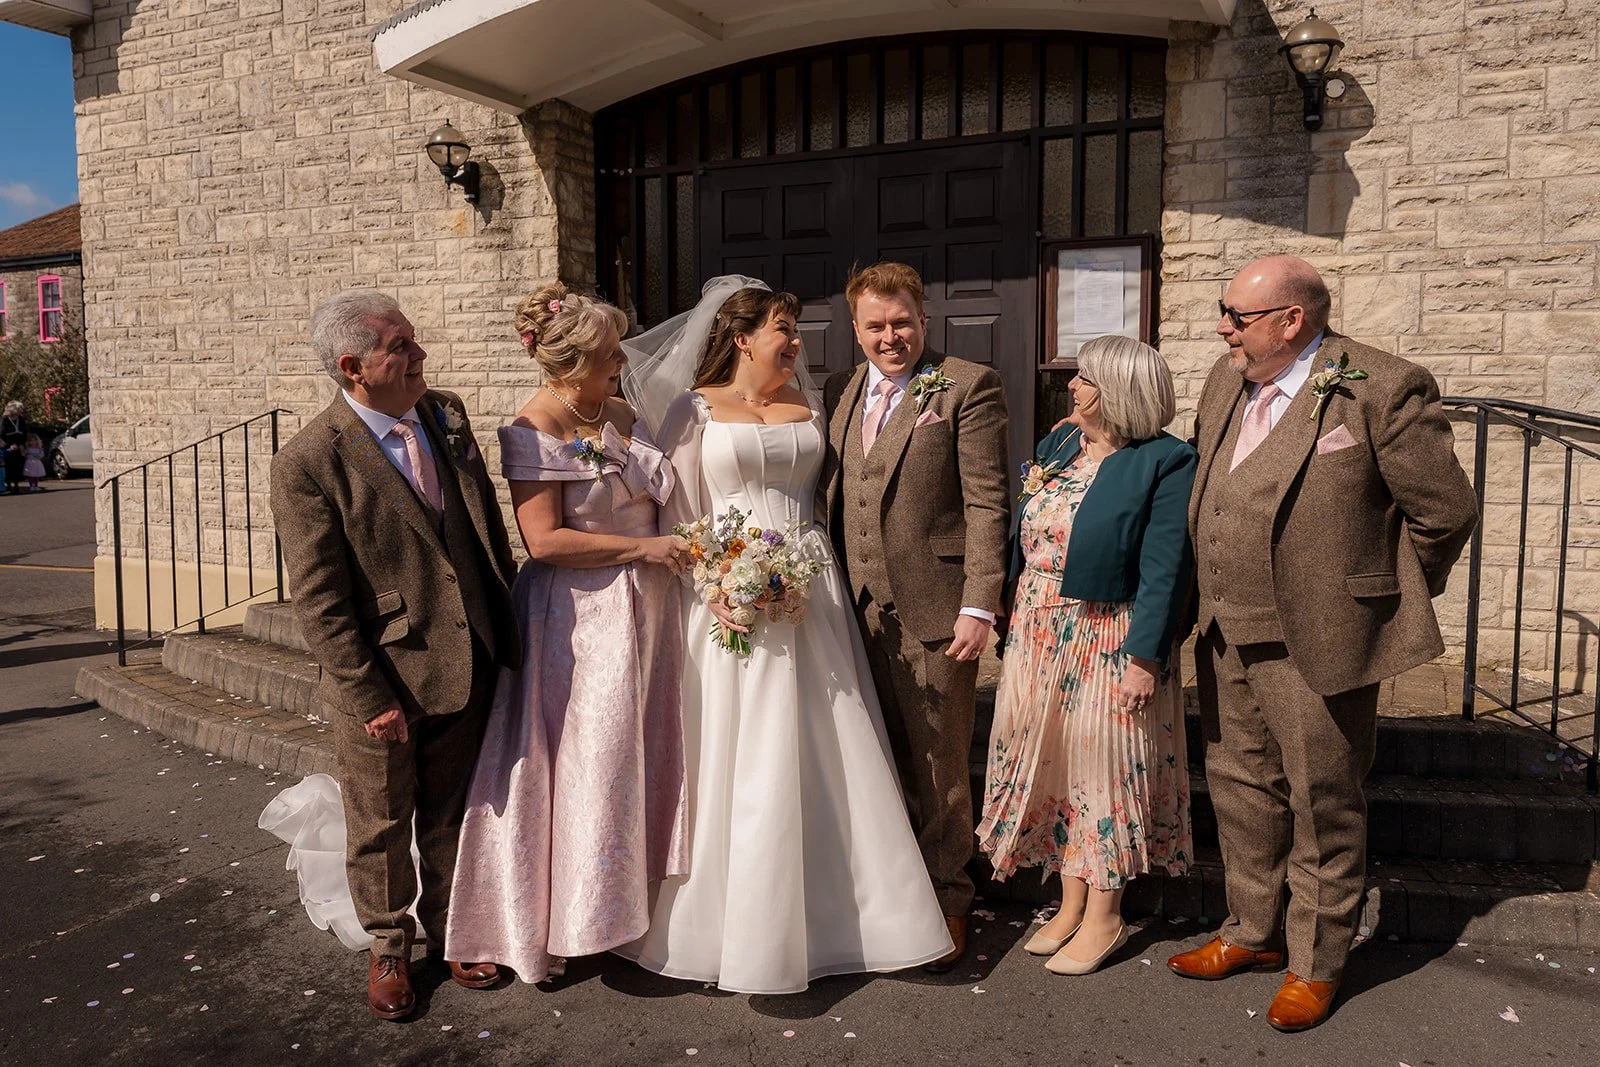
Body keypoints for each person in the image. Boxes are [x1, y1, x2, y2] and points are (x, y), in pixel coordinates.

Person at [615, 277, 953, 994]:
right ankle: (734, 923)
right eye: (782, 329)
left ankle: (855, 912)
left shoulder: (815, 402)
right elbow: (678, 516)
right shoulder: (692, 411)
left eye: (795, 330)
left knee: (831, 740)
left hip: (811, 590)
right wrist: (717, 585)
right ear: (740, 337)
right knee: (739, 755)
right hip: (727, 594)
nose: (795, 342)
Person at [1168, 256, 1477, 1032]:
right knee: (1240, 786)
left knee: (1322, 801)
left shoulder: (1380, 384)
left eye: (1235, 315)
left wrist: (1376, 598)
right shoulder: (1221, 380)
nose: (1221, 327)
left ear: (1291, 321)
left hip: (1322, 639)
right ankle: (1251, 930)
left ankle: (1316, 962)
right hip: (1223, 628)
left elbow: (1444, 511)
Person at [269, 290, 521, 1021]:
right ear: (354, 367)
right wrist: (365, 692)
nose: (419, 356)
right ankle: (388, 944)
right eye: (401, 347)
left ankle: (451, 928)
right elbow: (319, 597)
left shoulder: (446, 412)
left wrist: (505, 617)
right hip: (385, 672)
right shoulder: (309, 461)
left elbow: (481, 528)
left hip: (467, 651)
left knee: (452, 808)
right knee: (380, 821)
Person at [442, 284, 692, 984]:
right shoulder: (533, 427)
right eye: (611, 349)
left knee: (638, 754)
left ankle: (626, 907)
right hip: (577, 622)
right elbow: (545, 542)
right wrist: (641, 552)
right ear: (574, 360)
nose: (623, 356)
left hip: (650, 607)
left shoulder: (619, 409)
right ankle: (553, 919)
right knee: (586, 763)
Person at [976, 335, 1194, 976]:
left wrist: (1145, 658)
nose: (1071, 386)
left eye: (1086, 379)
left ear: (1121, 391)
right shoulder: (1061, 443)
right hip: (1040, 631)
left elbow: (1166, 568)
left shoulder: (1165, 460)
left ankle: (1105, 914)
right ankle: (1069, 903)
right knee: (1057, 769)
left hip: (1108, 633)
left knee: (1104, 771)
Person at [819, 262, 1011, 971]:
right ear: (856, 327)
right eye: (875, 325)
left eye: (901, 322)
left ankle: (951, 897)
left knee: (940, 763)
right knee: (874, 756)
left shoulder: (966, 383)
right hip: (849, 609)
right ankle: (893, 894)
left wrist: (978, 602)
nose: (889, 336)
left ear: (923, 319)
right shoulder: (839, 390)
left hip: (934, 607)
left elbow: (990, 501)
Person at [2, 401, 26, 494]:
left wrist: (21, 444)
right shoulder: (5, 419)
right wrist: (10, 444)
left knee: (18, 465)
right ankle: (8, 484)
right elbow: (2, 433)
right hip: (8, 446)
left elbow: (24, 432)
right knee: (8, 466)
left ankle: (16, 484)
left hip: (19, 445)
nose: (21, 411)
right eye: (19, 409)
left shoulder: (21, 419)